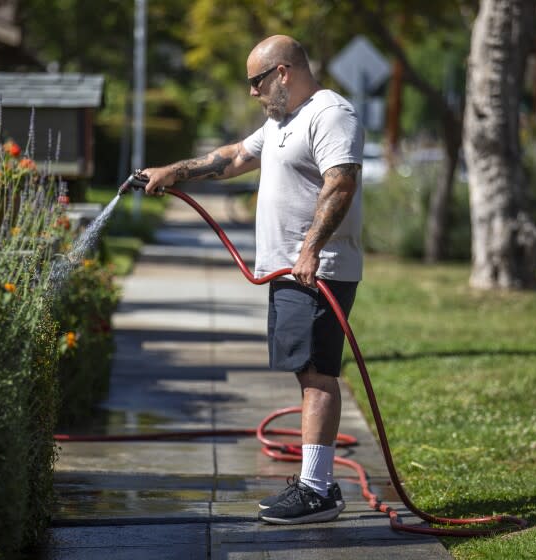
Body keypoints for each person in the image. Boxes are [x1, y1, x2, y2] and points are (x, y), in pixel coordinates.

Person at [131, 34, 363, 525]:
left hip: (316, 270)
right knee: (307, 371)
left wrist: (311, 249)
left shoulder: (330, 113)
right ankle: (316, 484)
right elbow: (235, 156)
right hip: (288, 270)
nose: (252, 93)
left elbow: (340, 181)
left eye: (256, 82)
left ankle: (317, 490)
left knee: (318, 372)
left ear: (283, 72)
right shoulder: (282, 121)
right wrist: (174, 171)